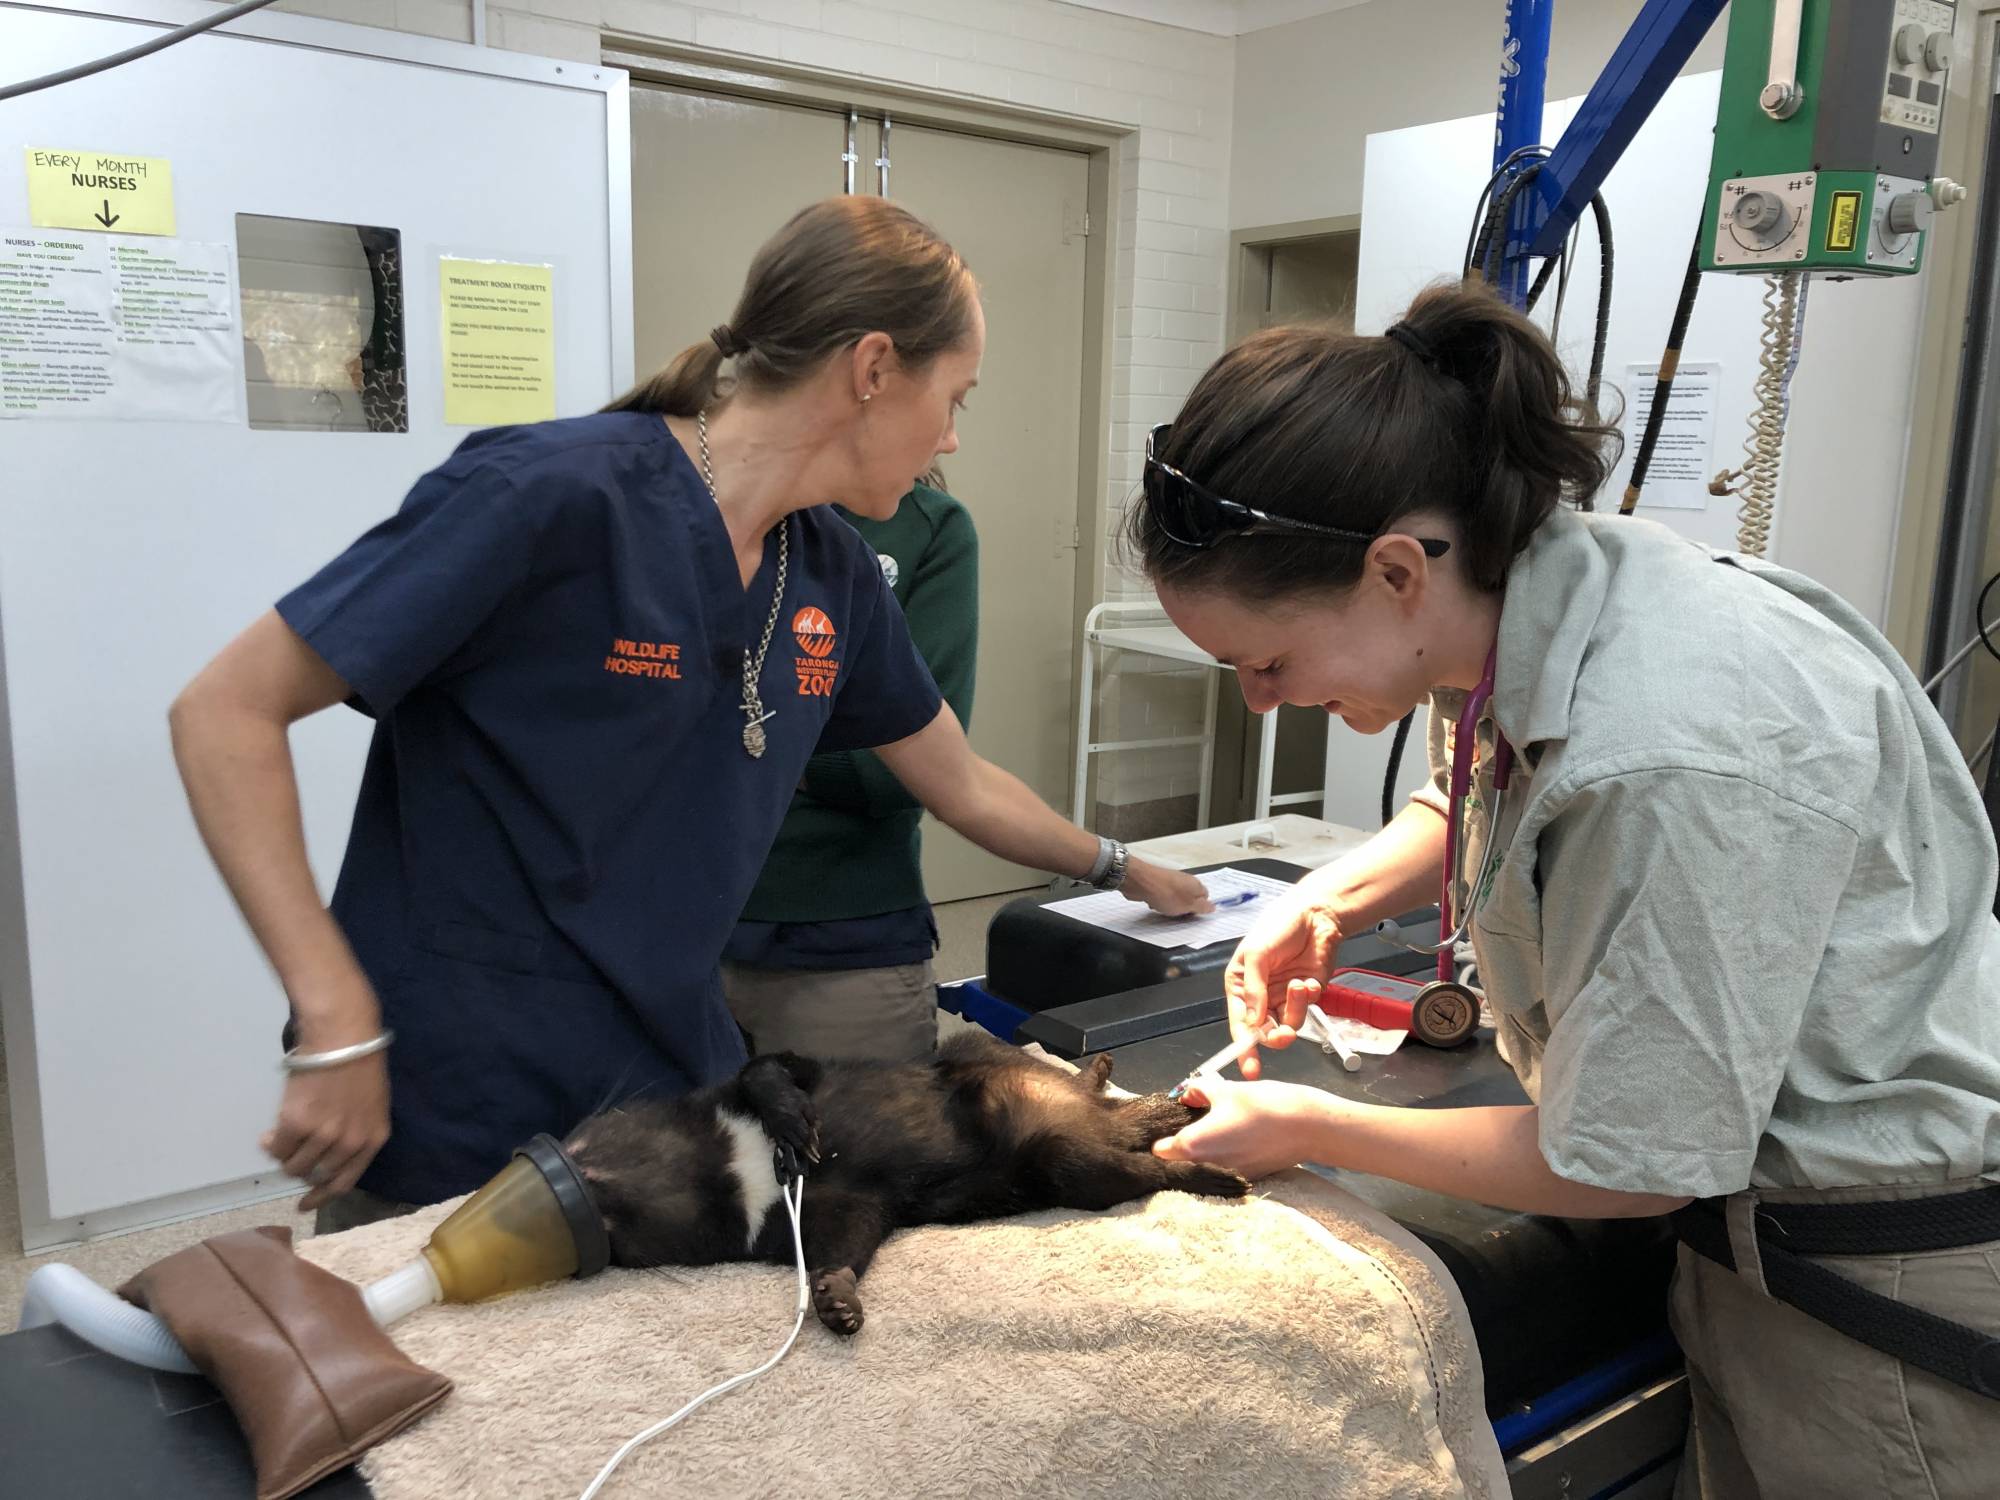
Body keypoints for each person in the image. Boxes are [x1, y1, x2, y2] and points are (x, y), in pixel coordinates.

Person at [169, 196, 1207, 1233]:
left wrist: (1121, 866)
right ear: (874, 367)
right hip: (460, 1074)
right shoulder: (551, 495)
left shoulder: (830, 570)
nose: (951, 438)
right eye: (955, 398)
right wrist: (337, 1019)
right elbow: (224, 711)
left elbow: (962, 782)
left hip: (672, 1086)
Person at [1132, 282, 2000, 1498]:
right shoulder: (1537, 606)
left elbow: (1629, 1163)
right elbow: (1487, 795)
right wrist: (1325, 898)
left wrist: (1308, 1126)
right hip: (1749, 1235)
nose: (1259, 702)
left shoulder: (1672, 743)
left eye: (1265, 662)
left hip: (1874, 1282)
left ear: (1392, 569)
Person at [723, 467, 978, 1063]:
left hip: (843, 935)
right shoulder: (721, 512)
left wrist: (757, 752)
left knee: (860, 1148)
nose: (950, 440)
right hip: (687, 928)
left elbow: (902, 771)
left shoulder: (925, 528)